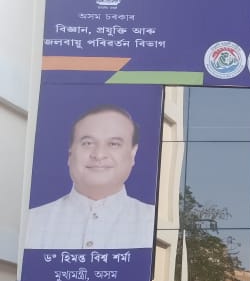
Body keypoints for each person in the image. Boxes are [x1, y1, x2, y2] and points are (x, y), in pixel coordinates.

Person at [24, 104, 155, 249]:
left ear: (133, 154)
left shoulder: (152, 222)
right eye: (87, 143)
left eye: (113, 144)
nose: (99, 155)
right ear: (70, 153)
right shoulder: (31, 223)